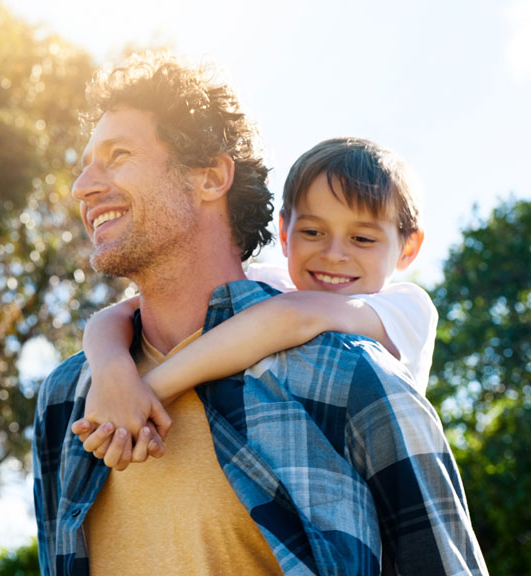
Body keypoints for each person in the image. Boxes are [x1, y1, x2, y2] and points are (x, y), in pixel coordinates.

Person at [32, 52, 486, 575]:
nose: (81, 186)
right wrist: (112, 369)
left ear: (210, 178)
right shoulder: (69, 397)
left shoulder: (353, 376)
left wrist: (151, 388)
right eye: (86, 162)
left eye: (118, 155)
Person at [74, 137, 438, 469]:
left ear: (408, 248)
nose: (334, 254)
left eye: (362, 238)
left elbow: (293, 317)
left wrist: (148, 392)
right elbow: (119, 313)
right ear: (283, 233)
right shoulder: (272, 285)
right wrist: (112, 373)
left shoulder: (406, 309)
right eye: (312, 232)